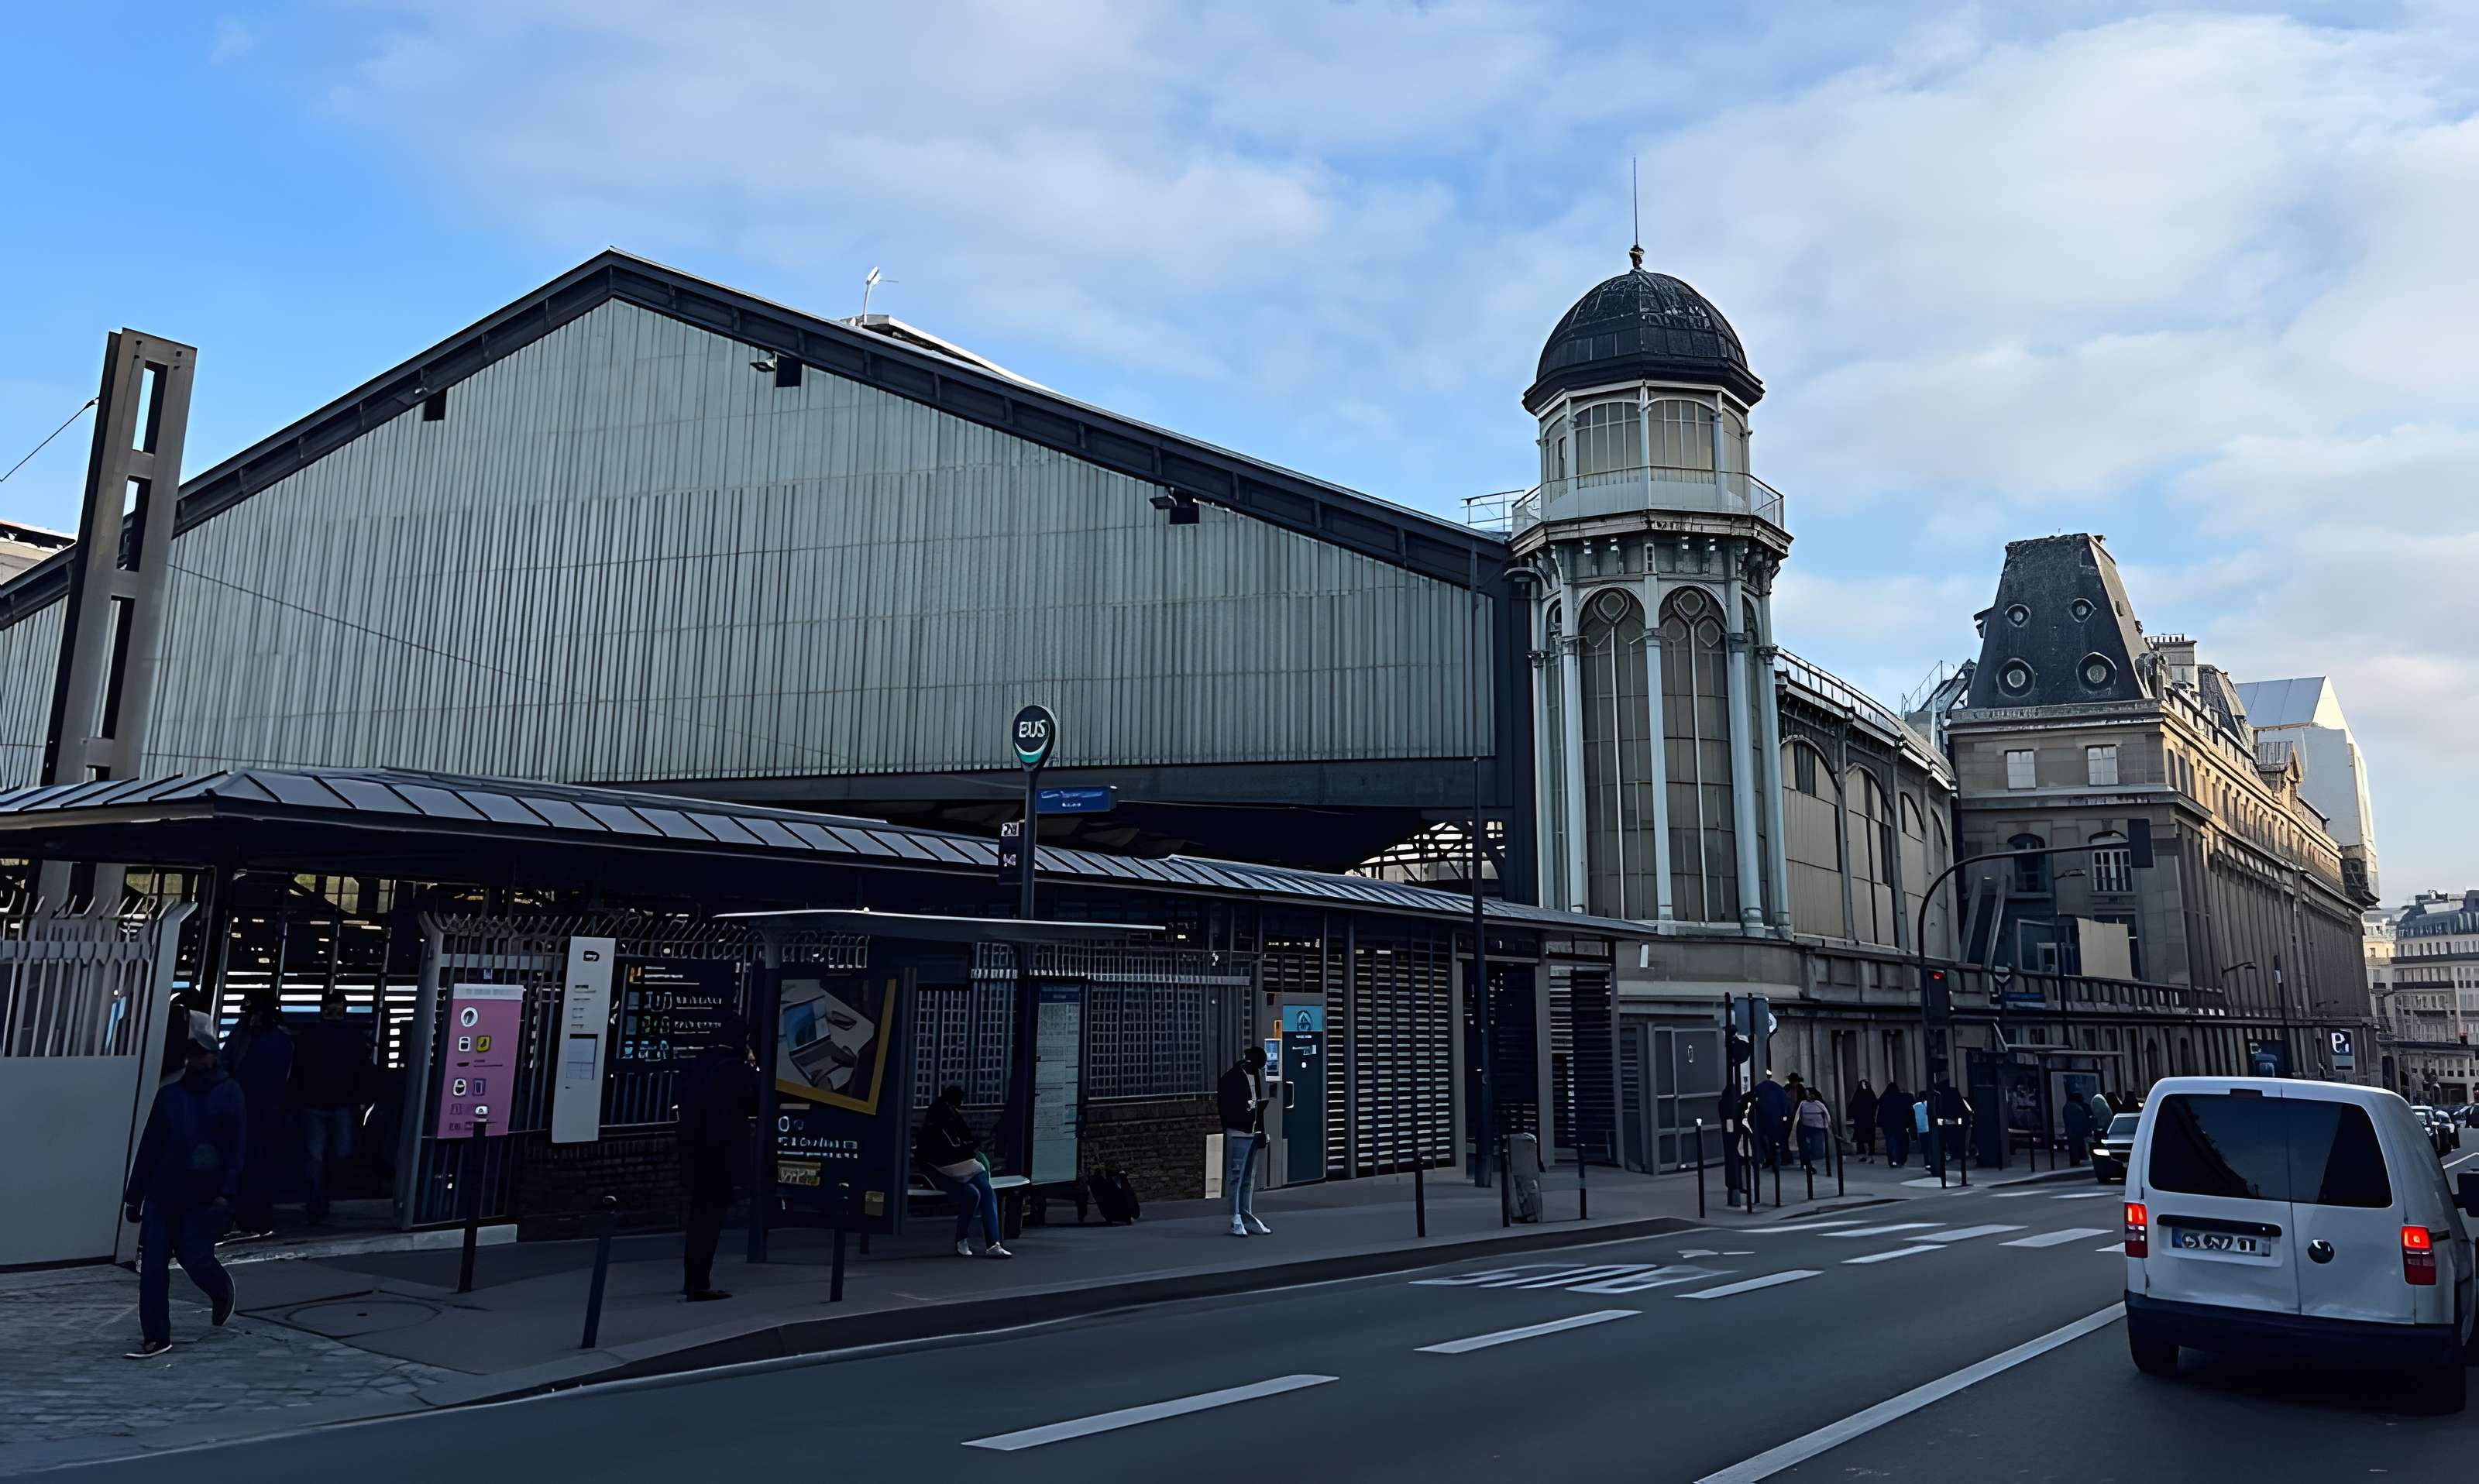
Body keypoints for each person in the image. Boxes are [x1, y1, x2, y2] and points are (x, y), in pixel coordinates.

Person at [122, 1012, 243, 1359]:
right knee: (154, 1267)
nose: (194, 1059)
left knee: (194, 1256)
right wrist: (135, 1196)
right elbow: (149, 1146)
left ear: (213, 1056)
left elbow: (237, 1147)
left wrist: (227, 1192)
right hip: (164, 1192)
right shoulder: (170, 1096)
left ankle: (220, 1289)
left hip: (203, 1195)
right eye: (191, 1054)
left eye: (200, 1053)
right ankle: (156, 1335)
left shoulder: (228, 1093)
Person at [676, 1015, 758, 1300]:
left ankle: (692, 1277)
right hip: (720, 1155)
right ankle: (699, 1282)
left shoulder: (698, 1064)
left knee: (698, 1216)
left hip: (694, 1150)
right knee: (711, 1218)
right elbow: (757, 1101)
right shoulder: (736, 1070)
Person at [289, 989, 370, 1226]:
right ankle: (322, 1198)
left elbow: (298, 1072)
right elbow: (362, 1070)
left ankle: (317, 1200)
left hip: (316, 1103)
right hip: (338, 1103)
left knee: (317, 1156)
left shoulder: (309, 1036)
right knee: (337, 1154)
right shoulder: (353, 1038)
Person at [221, 992, 292, 1241]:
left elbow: (227, 1064)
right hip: (263, 1111)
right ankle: (254, 1219)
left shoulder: (243, 1036)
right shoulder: (279, 1040)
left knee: (243, 1165)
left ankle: (242, 1217)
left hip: (249, 1109)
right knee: (257, 1167)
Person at [916, 1084, 1009, 1259]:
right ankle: (966, 1239)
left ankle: (992, 1243)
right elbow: (946, 1149)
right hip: (940, 1168)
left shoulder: (950, 1114)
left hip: (960, 1164)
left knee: (984, 1190)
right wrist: (971, 1148)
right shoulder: (939, 1116)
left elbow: (964, 1141)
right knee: (974, 1194)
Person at [1218, 1045, 1272, 1236]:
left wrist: (1261, 1133)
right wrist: (1243, 1118)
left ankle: (1246, 1214)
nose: (1258, 1071)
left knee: (1249, 1178)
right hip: (1239, 1132)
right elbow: (1226, 1108)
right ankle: (1235, 1216)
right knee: (1236, 1177)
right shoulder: (1231, 1079)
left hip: (1253, 1131)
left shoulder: (1254, 1075)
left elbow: (1258, 1107)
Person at [1753, 1071, 1790, 1170]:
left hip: (1764, 1119)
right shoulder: (1778, 1088)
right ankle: (1778, 1160)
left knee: (1764, 1140)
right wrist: (1784, 1115)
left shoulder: (1759, 1089)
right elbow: (1784, 1103)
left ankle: (1770, 1159)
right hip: (1776, 1119)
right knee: (1776, 1140)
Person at [1793, 1086, 1831, 1173]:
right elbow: (1798, 1115)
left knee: (1815, 1148)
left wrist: (1827, 1125)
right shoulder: (1803, 1103)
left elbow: (1827, 1115)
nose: (1809, 1097)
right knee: (1806, 1147)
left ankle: (1809, 1163)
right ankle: (1807, 1163)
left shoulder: (1819, 1103)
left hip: (1817, 1128)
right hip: (1806, 1127)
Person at [1878, 1078, 1910, 1167]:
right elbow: (1905, 1111)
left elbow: (1881, 1112)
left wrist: (1880, 1123)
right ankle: (1899, 1160)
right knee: (1900, 1142)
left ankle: (1892, 1160)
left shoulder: (1884, 1098)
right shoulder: (1901, 1098)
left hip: (1888, 1125)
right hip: (1900, 1124)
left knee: (1890, 1143)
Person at [1848, 1080, 1879, 1162]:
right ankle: (1870, 1155)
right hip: (1868, 1120)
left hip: (1861, 1120)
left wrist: (1852, 1115)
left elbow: (1852, 1107)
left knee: (1861, 1138)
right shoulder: (1871, 1094)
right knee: (1868, 1138)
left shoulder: (1858, 1095)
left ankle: (1864, 1155)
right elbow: (1875, 1105)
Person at [2064, 1093, 2092, 1166]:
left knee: (2073, 1146)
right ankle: (2077, 1160)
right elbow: (2082, 1119)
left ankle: (2075, 1160)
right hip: (2077, 1130)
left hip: (2071, 1130)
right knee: (2077, 1146)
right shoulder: (2077, 1107)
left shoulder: (2067, 1106)